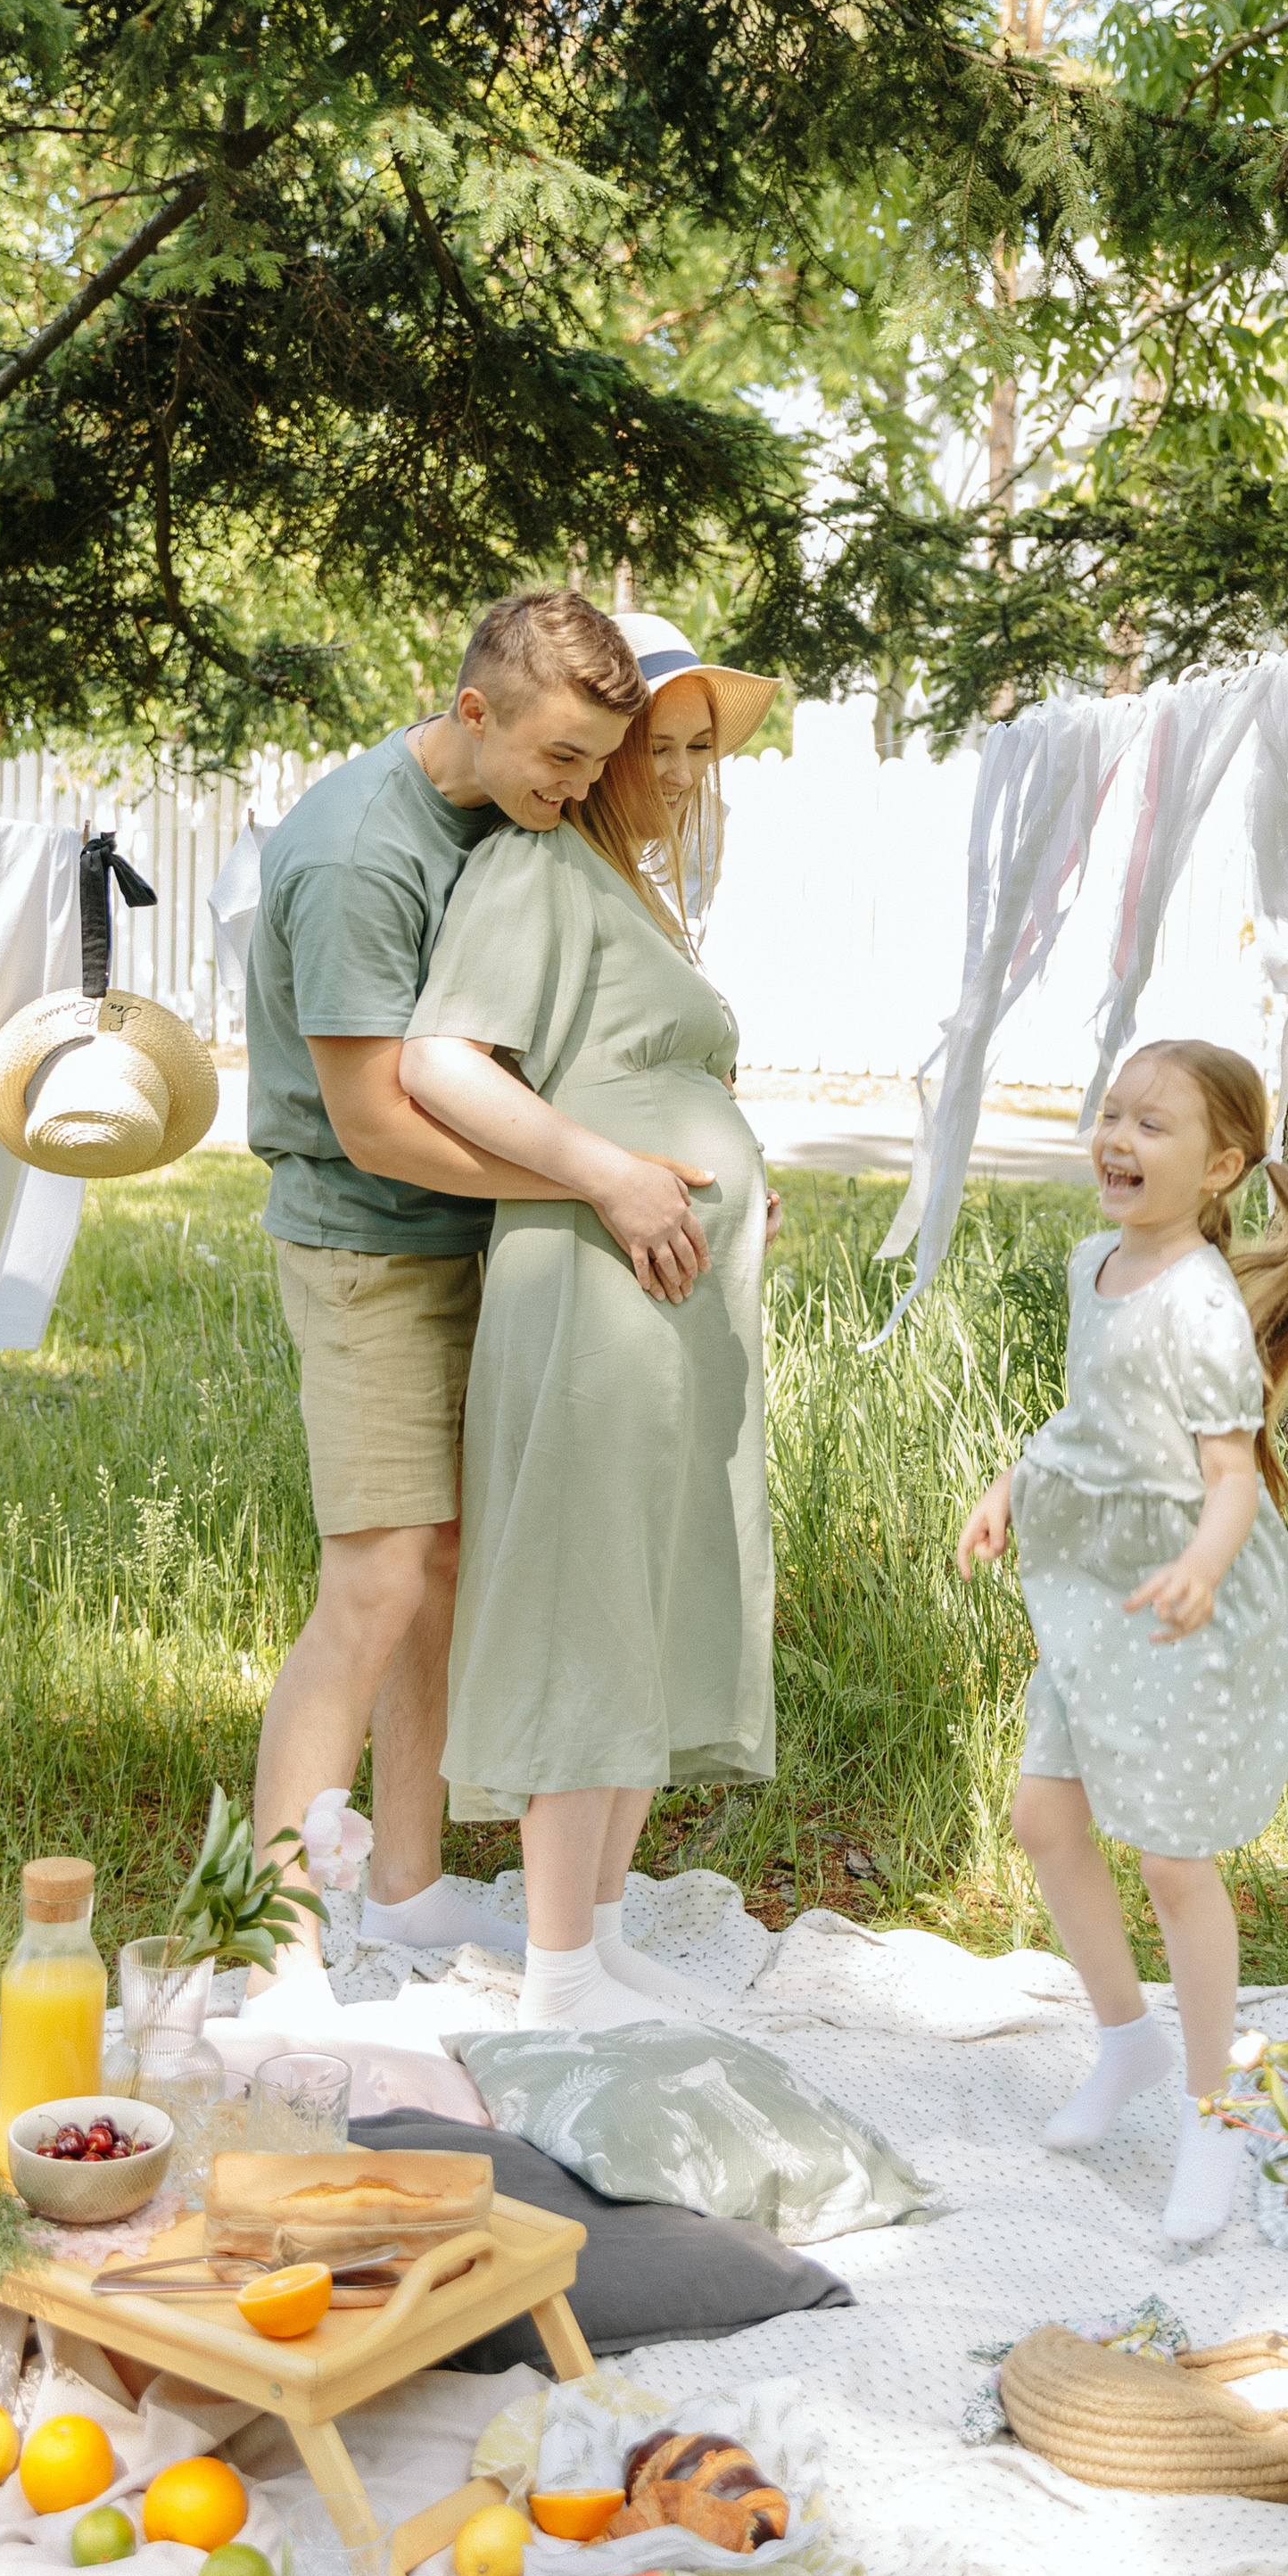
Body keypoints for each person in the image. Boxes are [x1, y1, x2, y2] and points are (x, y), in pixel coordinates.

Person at [245, 590, 716, 1985]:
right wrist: (600, 1177)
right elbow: (377, 1123)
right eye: (560, 760)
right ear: (471, 712)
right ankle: (271, 1932)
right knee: (379, 1577)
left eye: (593, 764)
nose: (577, 789)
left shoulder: (511, 826)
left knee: (449, 1575)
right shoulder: (358, 855)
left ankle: (403, 1888)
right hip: (367, 1246)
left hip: (474, 1241)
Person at [399, 612, 782, 2030]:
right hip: (595, 1281)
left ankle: (601, 1929)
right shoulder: (535, 869)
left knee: (650, 1580)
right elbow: (443, 1060)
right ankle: (557, 1966)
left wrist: (734, 1165)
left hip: (668, 1290)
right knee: (584, 1580)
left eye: (694, 752)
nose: (680, 774)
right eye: (658, 750)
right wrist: (615, 1173)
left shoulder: (630, 893)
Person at [957, 1040, 1288, 2242]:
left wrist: (1198, 1566)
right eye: (1112, 1114)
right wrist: (1011, 1481)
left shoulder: (1201, 1302)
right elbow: (1092, 1417)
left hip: (1187, 1597)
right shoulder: (1096, 1266)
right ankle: (1125, 2039)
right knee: (1043, 1814)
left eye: (1154, 1125)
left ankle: (1214, 2114)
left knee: (1177, 1862)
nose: (1118, 1138)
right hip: (1092, 1589)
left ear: (1222, 1164)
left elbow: (1229, 1474)